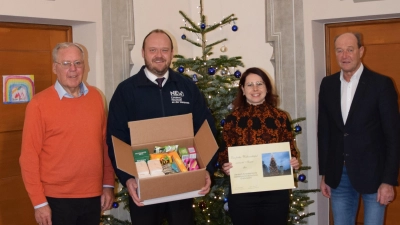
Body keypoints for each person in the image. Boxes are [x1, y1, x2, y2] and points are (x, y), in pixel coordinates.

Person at [106, 29, 217, 225]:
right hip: (144, 183)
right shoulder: (126, 91)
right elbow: (116, 138)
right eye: (153, 50)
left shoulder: (186, 87)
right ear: (143, 52)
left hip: (183, 179)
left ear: (172, 53)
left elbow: (206, 129)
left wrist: (207, 168)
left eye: (164, 50)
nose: (159, 55)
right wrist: (127, 178)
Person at [19, 42, 115, 225]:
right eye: (66, 64)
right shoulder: (38, 104)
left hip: (92, 196)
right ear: (55, 67)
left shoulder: (96, 98)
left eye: (78, 63)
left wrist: (108, 184)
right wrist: (39, 203)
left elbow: (104, 145)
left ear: (84, 67)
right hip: (56, 199)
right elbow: (28, 158)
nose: (73, 69)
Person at [318, 32, 400, 225]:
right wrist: (325, 175)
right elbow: (324, 132)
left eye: (350, 49)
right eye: (339, 50)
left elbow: (393, 135)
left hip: (375, 175)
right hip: (339, 176)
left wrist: (388, 181)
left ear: (361, 51)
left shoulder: (381, 84)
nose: (344, 55)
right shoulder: (327, 85)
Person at [218, 67, 300, 225]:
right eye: (249, 85)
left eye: (259, 84)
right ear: (242, 89)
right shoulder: (232, 119)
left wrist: (293, 161)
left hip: (275, 195)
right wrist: (225, 166)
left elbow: (290, 150)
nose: (255, 89)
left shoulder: (281, 118)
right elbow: (223, 154)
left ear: (267, 88)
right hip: (243, 195)